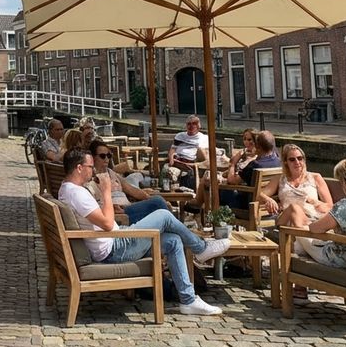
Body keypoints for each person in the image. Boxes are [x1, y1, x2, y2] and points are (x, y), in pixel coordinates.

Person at [58, 148, 228, 316]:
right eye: (90, 166)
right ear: (79, 168)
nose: (93, 170)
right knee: (163, 215)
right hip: (114, 248)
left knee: (173, 240)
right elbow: (108, 224)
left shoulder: (67, 189)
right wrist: (107, 192)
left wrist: (106, 203)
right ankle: (201, 248)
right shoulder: (77, 193)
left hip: (113, 240)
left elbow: (100, 220)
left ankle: (188, 300)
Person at [88, 140, 170, 224]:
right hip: (119, 214)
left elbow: (132, 190)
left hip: (128, 207)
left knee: (171, 236)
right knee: (158, 202)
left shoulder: (111, 173)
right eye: (102, 156)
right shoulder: (91, 178)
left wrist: (148, 198)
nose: (106, 159)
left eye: (108, 155)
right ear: (93, 157)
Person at [258, 143, 334, 226]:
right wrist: (269, 199)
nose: (297, 162)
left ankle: (305, 234)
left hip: (311, 217)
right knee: (294, 208)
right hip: (287, 218)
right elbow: (259, 195)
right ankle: (307, 234)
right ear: (286, 162)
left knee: (298, 212)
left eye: (300, 158)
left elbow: (330, 206)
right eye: (292, 159)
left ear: (304, 160)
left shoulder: (315, 177)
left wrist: (313, 202)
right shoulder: (279, 179)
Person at [167, 115, 209, 190]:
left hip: (192, 161)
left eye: (194, 123)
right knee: (167, 170)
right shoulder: (180, 136)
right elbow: (172, 149)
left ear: (199, 126)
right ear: (186, 125)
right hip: (177, 159)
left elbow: (204, 154)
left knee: (201, 150)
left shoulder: (203, 138)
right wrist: (171, 160)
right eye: (189, 124)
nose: (191, 126)